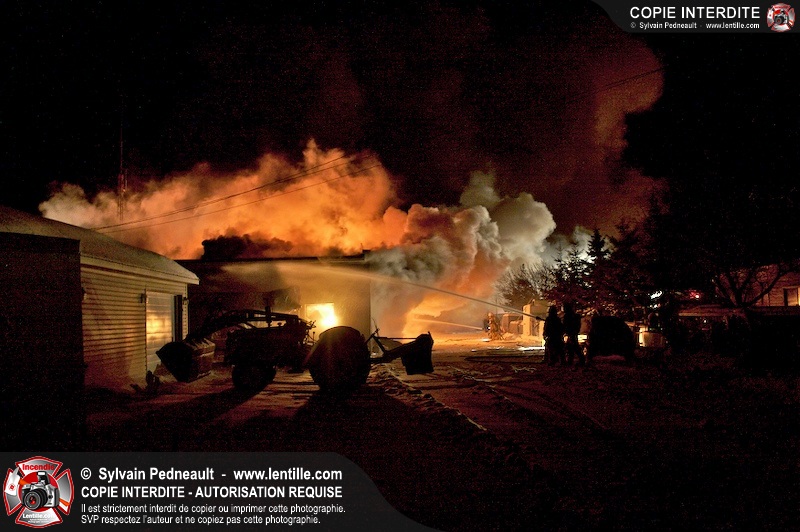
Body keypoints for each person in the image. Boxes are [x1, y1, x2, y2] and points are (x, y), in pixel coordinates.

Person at [563, 302, 584, 367]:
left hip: (571, 333)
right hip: (573, 333)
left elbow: (565, 325)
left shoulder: (568, 316)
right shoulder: (575, 316)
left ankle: (580, 359)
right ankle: (573, 360)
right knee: (571, 347)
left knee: (574, 346)